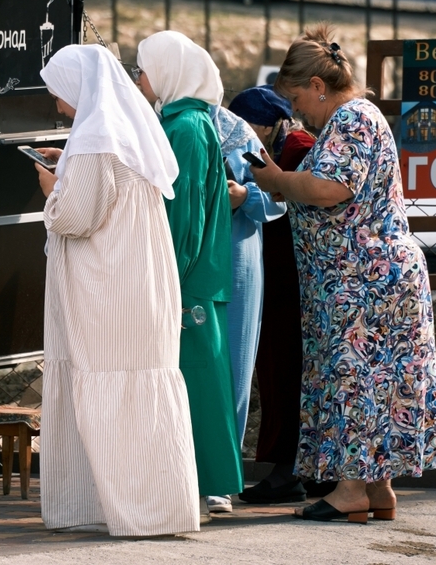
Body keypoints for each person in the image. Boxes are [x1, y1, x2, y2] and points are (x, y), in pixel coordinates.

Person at [250, 24, 436, 523]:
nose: (298, 110)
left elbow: (331, 187)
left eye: (299, 97)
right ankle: (377, 487)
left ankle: (350, 490)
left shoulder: (352, 119)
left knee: (355, 378)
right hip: (370, 278)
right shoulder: (357, 119)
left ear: (319, 86)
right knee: (376, 379)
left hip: (365, 281)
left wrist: (277, 180)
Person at [33, 43, 200, 536]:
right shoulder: (117, 133)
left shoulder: (93, 141)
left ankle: (120, 509)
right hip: (137, 289)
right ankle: (154, 505)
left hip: (107, 294)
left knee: (105, 382)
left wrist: (51, 190)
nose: (56, 104)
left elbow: (76, 216)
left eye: (58, 93)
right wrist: (68, 165)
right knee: (134, 390)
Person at [135, 31, 244, 514]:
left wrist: (169, 277)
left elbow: (186, 214)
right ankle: (204, 482)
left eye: (145, 69)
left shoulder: (185, 127)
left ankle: (204, 483)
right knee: (199, 379)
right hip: (197, 276)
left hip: (187, 279)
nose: (141, 79)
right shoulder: (187, 121)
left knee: (195, 383)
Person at [227, 86, 316, 505]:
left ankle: (287, 470)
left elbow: (284, 200)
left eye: (247, 126)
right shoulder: (282, 145)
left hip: (291, 278)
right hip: (281, 273)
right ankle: (294, 468)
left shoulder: (295, 148)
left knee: (283, 370)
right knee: (277, 370)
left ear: (265, 124)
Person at [210, 103, 287, 449]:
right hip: (181, 259)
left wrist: (244, 197)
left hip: (237, 263)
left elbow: (277, 198)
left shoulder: (238, 134)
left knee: (234, 366)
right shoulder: (157, 125)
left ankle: (222, 472)